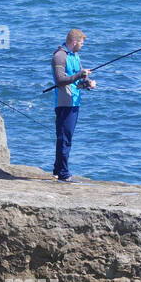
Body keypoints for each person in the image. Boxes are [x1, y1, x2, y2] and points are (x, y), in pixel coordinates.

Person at [51, 28, 94, 181]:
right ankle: (63, 173)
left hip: (75, 101)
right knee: (65, 138)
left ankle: (57, 170)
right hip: (64, 102)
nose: (82, 46)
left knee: (66, 137)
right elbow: (60, 80)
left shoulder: (75, 56)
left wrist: (88, 83)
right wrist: (80, 75)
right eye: (81, 43)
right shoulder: (59, 57)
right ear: (74, 42)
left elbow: (78, 80)